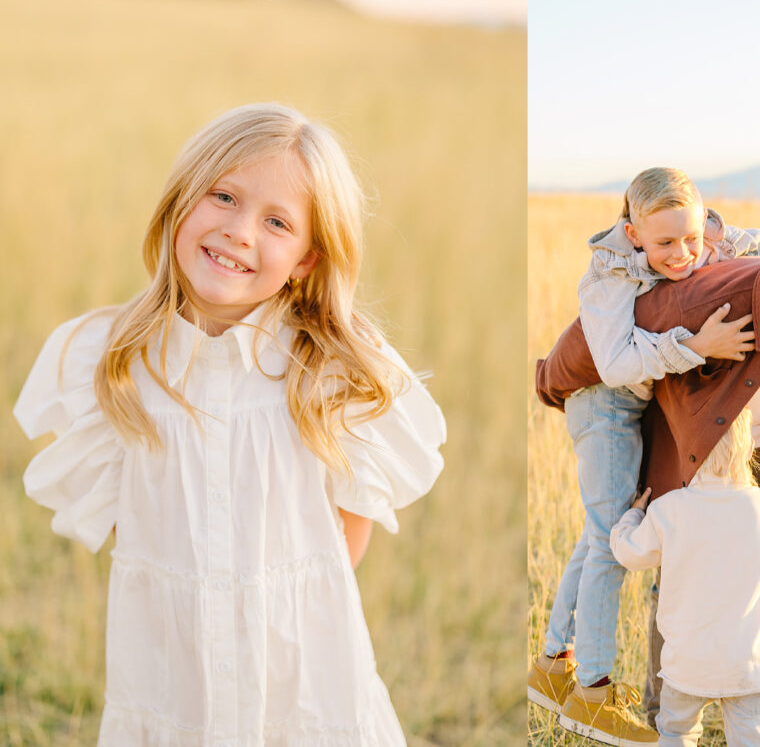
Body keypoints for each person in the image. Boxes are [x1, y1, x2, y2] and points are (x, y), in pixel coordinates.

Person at [13, 103, 446, 745]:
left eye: (276, 221)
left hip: (300, 684)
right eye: (223, 197)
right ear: (181, 202)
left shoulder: (331, 370)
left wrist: (267, 612)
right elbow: (125, 527)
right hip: (169, 681)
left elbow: (345, 538)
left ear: (305, 258)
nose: (241, 231)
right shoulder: (114, 362)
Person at [536, 195, 760, 737]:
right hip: (696, 453)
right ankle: (670, 720)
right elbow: (600, 334)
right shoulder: (710, 300)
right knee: (688, 577)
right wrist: (549, 381)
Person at [528, 168, 760, 744]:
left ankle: (551, 663)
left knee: (595, 533)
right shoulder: (609, 273)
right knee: (607, 547)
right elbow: (617, 363)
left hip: (634, 403)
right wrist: (698, 346)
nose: (683, 254)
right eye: (665, 242)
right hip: (604, 407)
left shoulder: (704, 238)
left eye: (691, 239)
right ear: (633, 232)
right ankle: (591, 693)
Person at [610, 409, 760, 746]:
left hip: (688, 664)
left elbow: (628, 553)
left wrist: (632, 515)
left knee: (677, 734)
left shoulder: (668, 510)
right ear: (747, 450)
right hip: (752, 665)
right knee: (751, 738)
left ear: (689, 450)